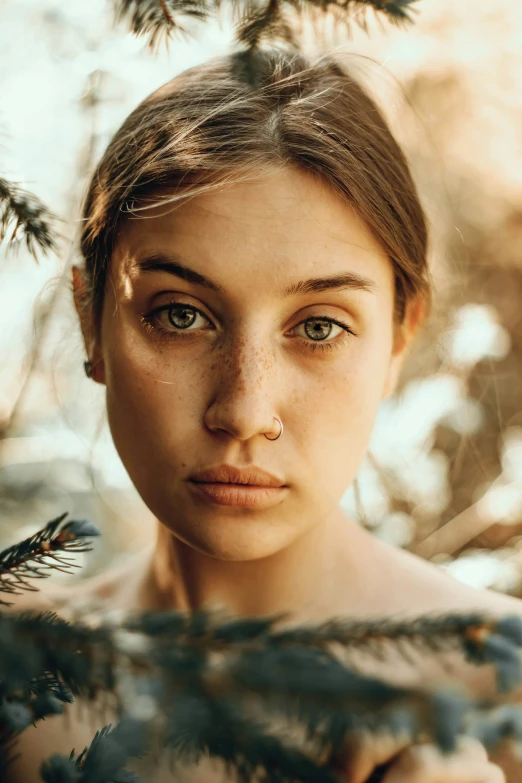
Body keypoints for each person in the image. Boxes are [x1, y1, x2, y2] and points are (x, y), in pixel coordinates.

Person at [5, 48, 521, 782]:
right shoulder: (14, 680)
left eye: (318, 327)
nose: (245, 411)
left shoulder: (506, 696)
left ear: (399, 340)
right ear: (91, 321)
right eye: (181, 314)